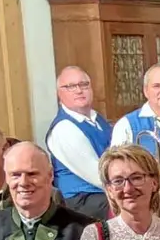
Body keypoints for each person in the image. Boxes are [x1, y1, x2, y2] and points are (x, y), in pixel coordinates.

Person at [45, 65, 114, 219]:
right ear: (59, 94)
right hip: (81, 200)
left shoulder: (97, 119)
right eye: (70, 87)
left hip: (104, 192)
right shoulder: (63, 129)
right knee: (136, 208)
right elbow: (98, 176)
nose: (79, 90)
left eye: (84, 85)